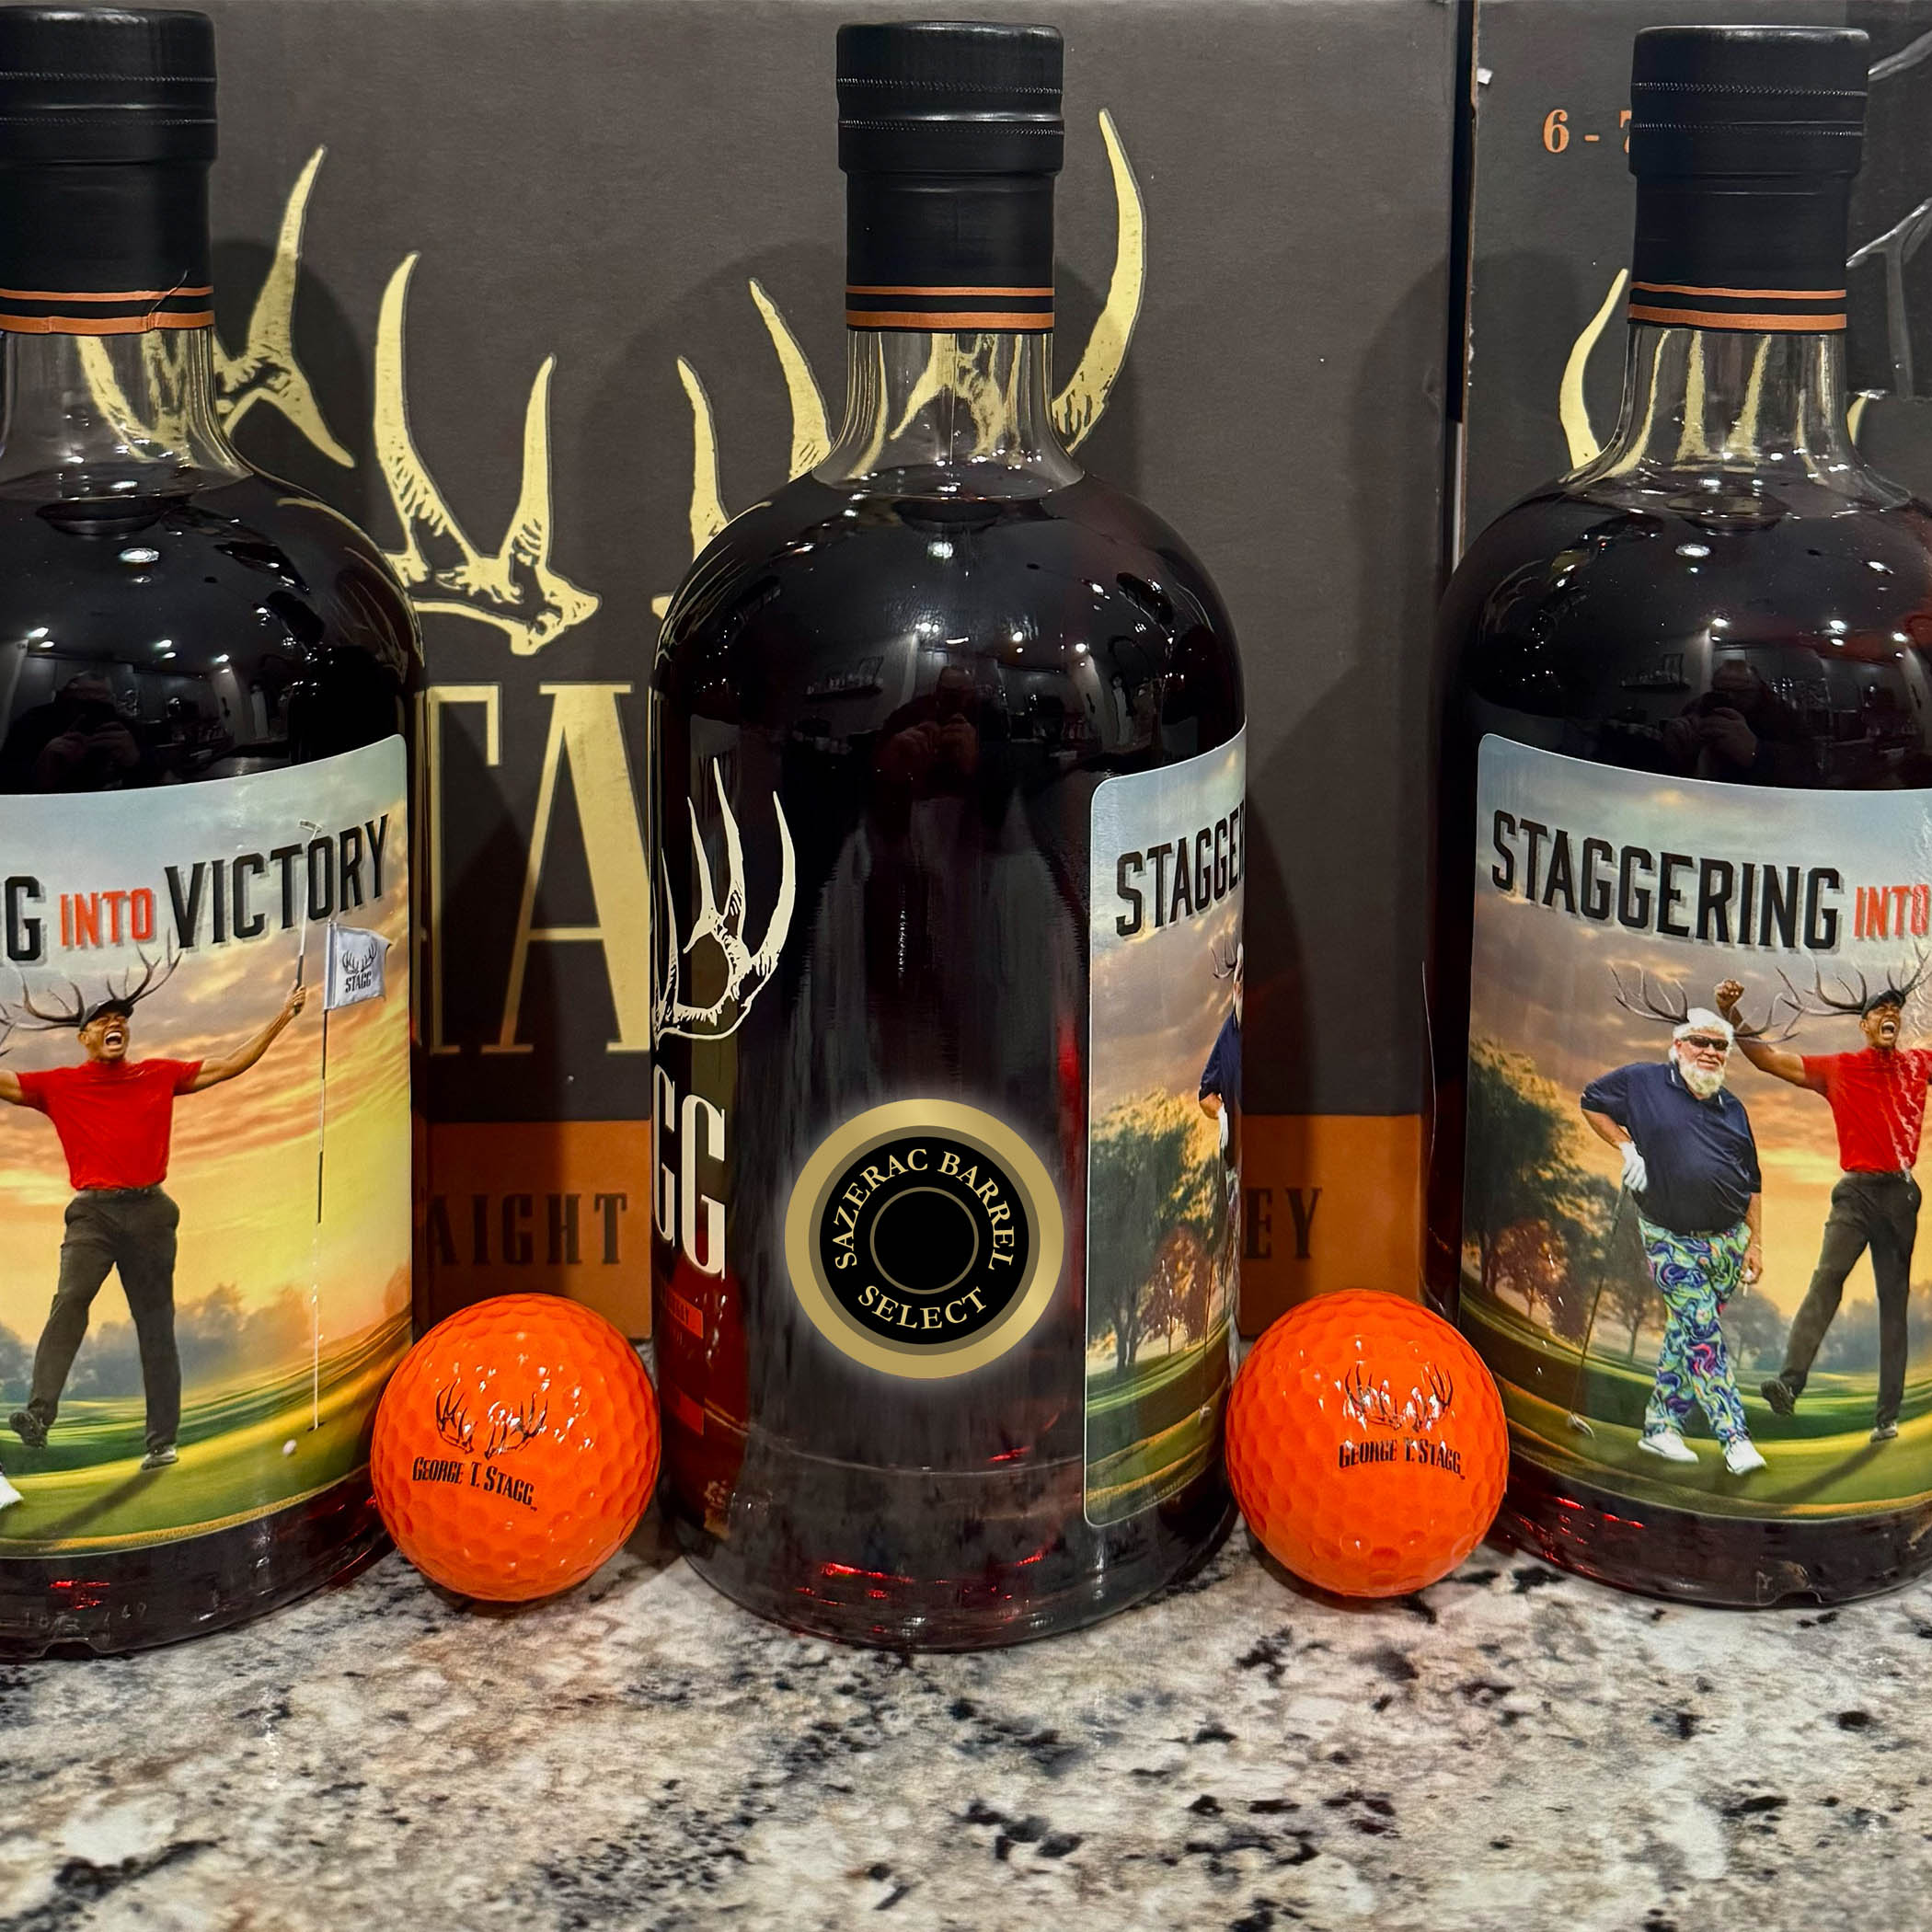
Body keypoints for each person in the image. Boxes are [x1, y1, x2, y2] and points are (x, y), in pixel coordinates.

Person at [0, 975, 306, 1471]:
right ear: (83, 1036)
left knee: (156, 1326)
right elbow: (6, 1083)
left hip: (150, 1214)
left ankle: (161, 1444)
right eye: (103, 1019)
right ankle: (38, 1415)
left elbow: (229, 1064)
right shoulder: (58, 1085)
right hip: (92, 1215)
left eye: (121, 1018)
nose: (116, 1023)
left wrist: (283, 1016)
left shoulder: (157, 1075)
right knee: (71, 1300)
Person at [1717, 972, 1931, 1443]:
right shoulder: (1840, 1069)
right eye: (1879, 1010)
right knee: (1826, 1278)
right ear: (1864, 1024)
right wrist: (1731, 1014)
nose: (1890, 1014)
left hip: (1900, 1194)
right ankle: (1789, 1384)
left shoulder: (1919, 1064)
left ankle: (1886, 1418)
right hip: (1855, 1194)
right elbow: (1769, 1060)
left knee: (1893, 1302)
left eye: (1895, 1009)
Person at [1580, 1008, 1767, 1475]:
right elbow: (1591, 1101)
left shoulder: (1734, 1108)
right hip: (1670, 1238)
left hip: (1728, 1243)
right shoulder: (1643, 1082)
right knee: (1703, 1334)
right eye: (1701, 1041)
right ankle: (1735, 1438)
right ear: (1678, 1044)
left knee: (1686, 1334)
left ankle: (1660, 1428)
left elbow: (1753, 1183)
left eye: (1720, 1045)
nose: (1710, 1052)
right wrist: (1627, 1147)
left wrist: (1755, 1243)